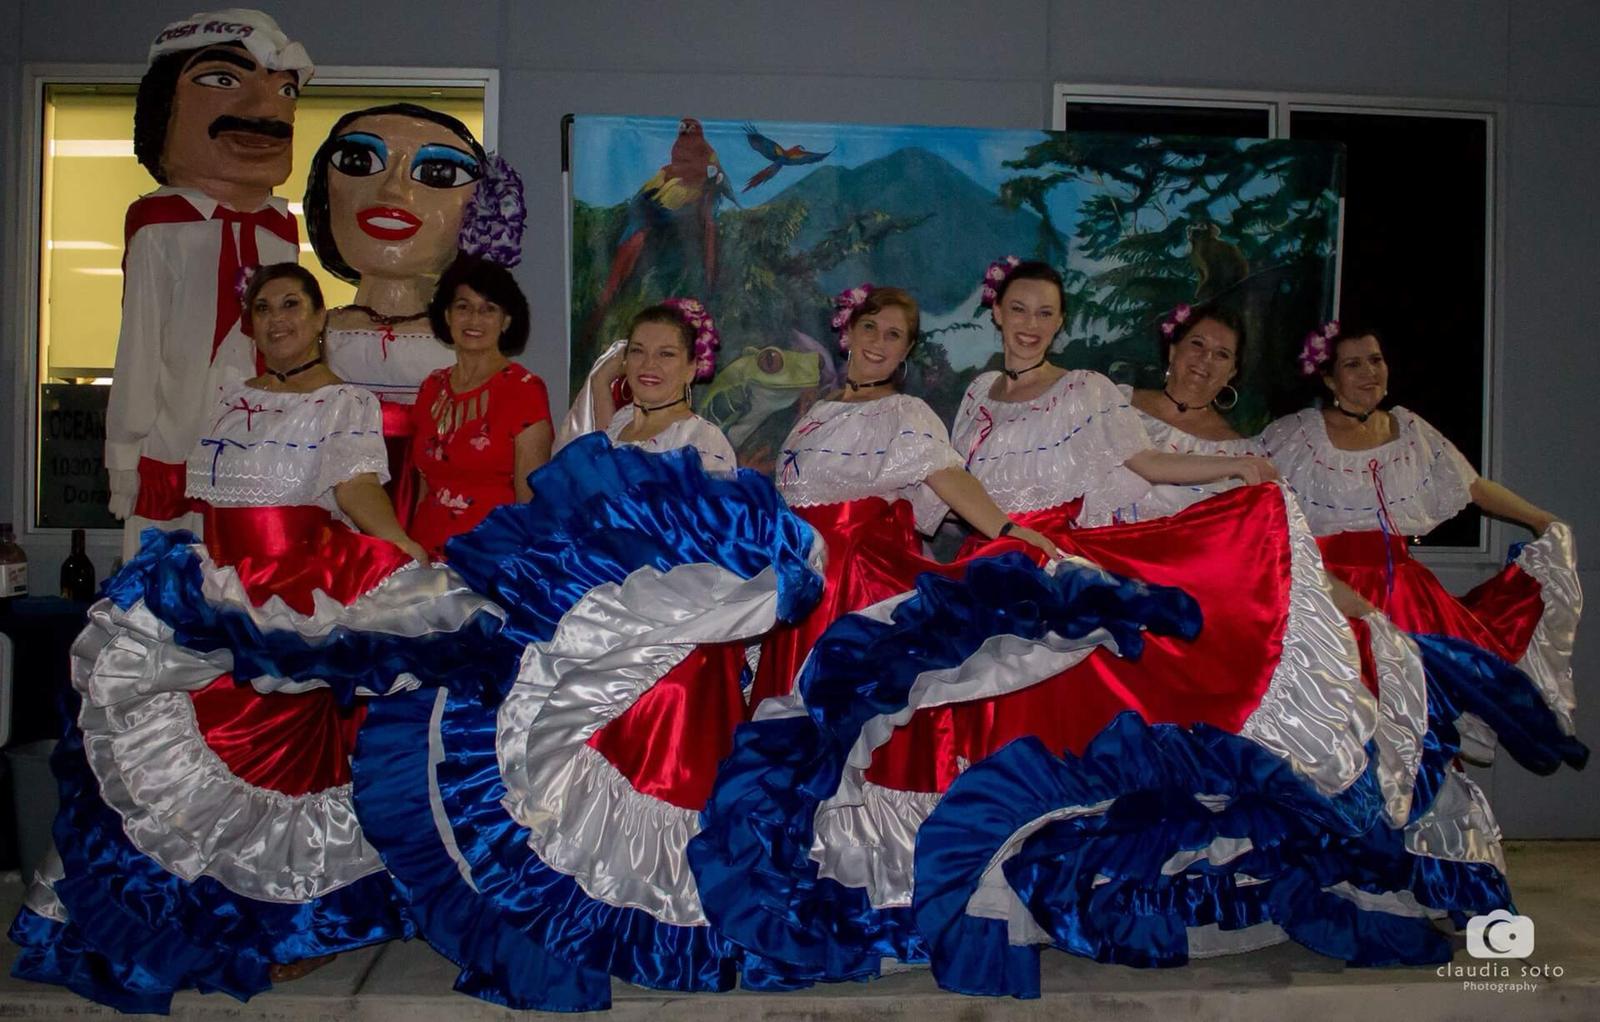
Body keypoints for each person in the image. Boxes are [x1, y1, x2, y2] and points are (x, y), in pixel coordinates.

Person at [8, 264, 502, 1011]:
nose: (277, 320)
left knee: (276, 762)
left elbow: (356, 490)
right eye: (264, 308)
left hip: (295, 592)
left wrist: (407, 550)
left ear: (319, 317)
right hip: (223, 584)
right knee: (153, 742)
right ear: (251, 324)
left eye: (292, 306)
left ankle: (299, 926)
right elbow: (209, 502)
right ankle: (175, 907)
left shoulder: (346, 401)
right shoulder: (234, 397)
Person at [351, 298, 826, 1009]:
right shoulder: (612, 433)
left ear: (694, 366)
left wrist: (642, 621)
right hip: (593, 647)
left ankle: (669, 943)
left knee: (648, 798)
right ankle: (573, 938)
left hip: (673, 664)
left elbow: (723, 561)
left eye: (665, 354)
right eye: (637, 352)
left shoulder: (705, 443)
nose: (648, 367)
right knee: (553, 790)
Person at [1263, 324, 1586, 769]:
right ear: (1331, 380)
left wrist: (1539, 519)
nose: (1368, 372)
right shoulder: (1296, 436)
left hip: (1405, 592)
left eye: (1375, 360)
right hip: (1332, 591)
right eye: (1352, 364)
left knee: (1428, 711)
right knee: (1349, 718)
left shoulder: (1410, 430)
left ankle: (1423, 826)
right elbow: (1250, 495)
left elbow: (1470, 486)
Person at [747, 283, 1059, 707]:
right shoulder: (816, 414)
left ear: (906, 350)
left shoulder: (904, 413)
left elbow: (948, 476)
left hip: (851, 591)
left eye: (894, 335)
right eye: (871, 327)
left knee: (837, 707)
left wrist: (1008, 529)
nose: (878, 342)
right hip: (801, 586)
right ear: (849, 333)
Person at [106, 10, 310, 558]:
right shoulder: (161, 224)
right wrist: (125, 451)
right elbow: (141, 345)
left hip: (259, 444)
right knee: (164, 587)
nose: (266, 108)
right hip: (176, 440)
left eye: (286, 89)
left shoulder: (280, 228)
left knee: (251, 585)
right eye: (222, 79)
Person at [306, 102, 526, 526]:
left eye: (439, 173)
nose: (392, 191)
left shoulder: (472, 344)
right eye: (359, 161)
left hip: (437, 518)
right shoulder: (312, 332)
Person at [408, 255, 551, 559]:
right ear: (446, 315)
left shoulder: (525, 390)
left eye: (489, 309)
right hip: (423, 556)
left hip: (488, 560)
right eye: (463, 307)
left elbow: (531, 501)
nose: (474, 319)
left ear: (506, 320)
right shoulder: (431, 387)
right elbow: (423, 484)